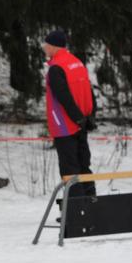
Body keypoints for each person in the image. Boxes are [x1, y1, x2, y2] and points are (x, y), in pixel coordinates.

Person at [42, 30, 97, 198]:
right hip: (82, 123)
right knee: (84, 165)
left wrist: (77, 118)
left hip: (65, 125)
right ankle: (91, 202)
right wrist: (90, 116)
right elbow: (89, 91)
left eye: (46, 45)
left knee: (70, 170)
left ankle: (75, 208)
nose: (44, 48)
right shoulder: (77, 63)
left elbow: (63, 97)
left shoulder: (56, 68)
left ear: (53, 46)